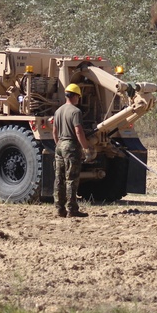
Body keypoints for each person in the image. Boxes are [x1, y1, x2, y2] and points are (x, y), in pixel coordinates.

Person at [52, 82, 91, 218]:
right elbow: (78, 131)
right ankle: (72, 209)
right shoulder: (76, 112)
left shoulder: (58, 111)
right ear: (74, 96)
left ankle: (59, 208)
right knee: (71, 178)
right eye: (78, 97)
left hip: (60, 145)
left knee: (59, 178)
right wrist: (86, 148)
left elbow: (54, 131)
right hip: (71, 146)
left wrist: (59, 144)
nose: (79, 99)